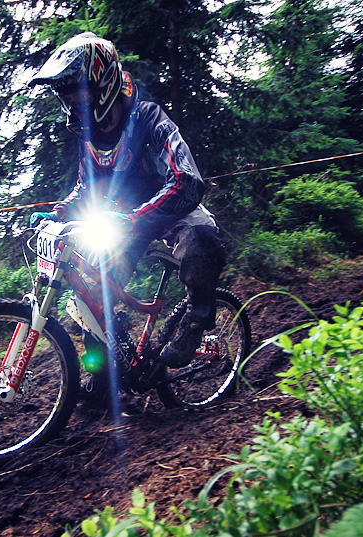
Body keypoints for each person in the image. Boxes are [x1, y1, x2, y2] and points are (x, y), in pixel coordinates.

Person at [28, 32, 226, 371]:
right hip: (124, 219)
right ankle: (102, 369)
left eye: (78, 96)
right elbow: (85, 188)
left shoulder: (149, 118)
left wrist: (135, 218)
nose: (73, 107)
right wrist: (59, 212)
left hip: (171, 208)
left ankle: (196, 321)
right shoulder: (88, 135)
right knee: (92, 290)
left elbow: (188, 181)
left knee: (201, 239)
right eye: (67, 99)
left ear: (104, 86)